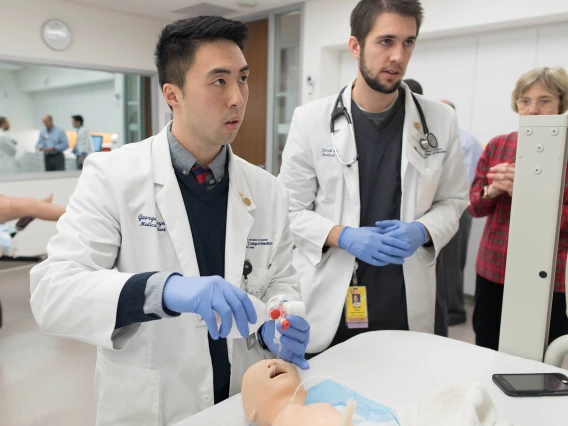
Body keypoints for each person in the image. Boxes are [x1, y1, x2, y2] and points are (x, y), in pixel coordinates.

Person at [30, 16, 310, 426]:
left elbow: (281, 279)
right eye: (219, 81)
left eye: (243, 78)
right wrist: (164, 290)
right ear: (172, 94)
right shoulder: (113, 176)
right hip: (153, 406)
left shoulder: (268, 190)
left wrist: (277, 320)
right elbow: (53, 292)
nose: (237, 97)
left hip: (243, 398)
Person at [278, 0, 469, 355]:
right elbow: (288, 210)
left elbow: (454, 201)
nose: (398, 55)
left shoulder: (439, 120)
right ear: (355, 46)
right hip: (334, 296)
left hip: (404, 296)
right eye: (386, 41)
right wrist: (342, 236)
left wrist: (422, 230)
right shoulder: (311, 120)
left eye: (408, 42)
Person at [470, 66, 568, 350]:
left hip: (550, 276)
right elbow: (474, 206)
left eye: (544, 100)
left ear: (562, 102)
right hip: (495, 268)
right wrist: (492, 191)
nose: (533, 110)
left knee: (539, 356)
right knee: (486, 345)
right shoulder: (498, 145)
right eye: (525, 101)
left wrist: (530, 196)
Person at [438, 100, 483, 326]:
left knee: (452, 264)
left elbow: (467, 182)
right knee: (439, 264)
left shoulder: (466, 141)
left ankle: (455, 311)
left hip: (458, 209)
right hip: (436, 209)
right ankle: (443, 308)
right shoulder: (434, 139)